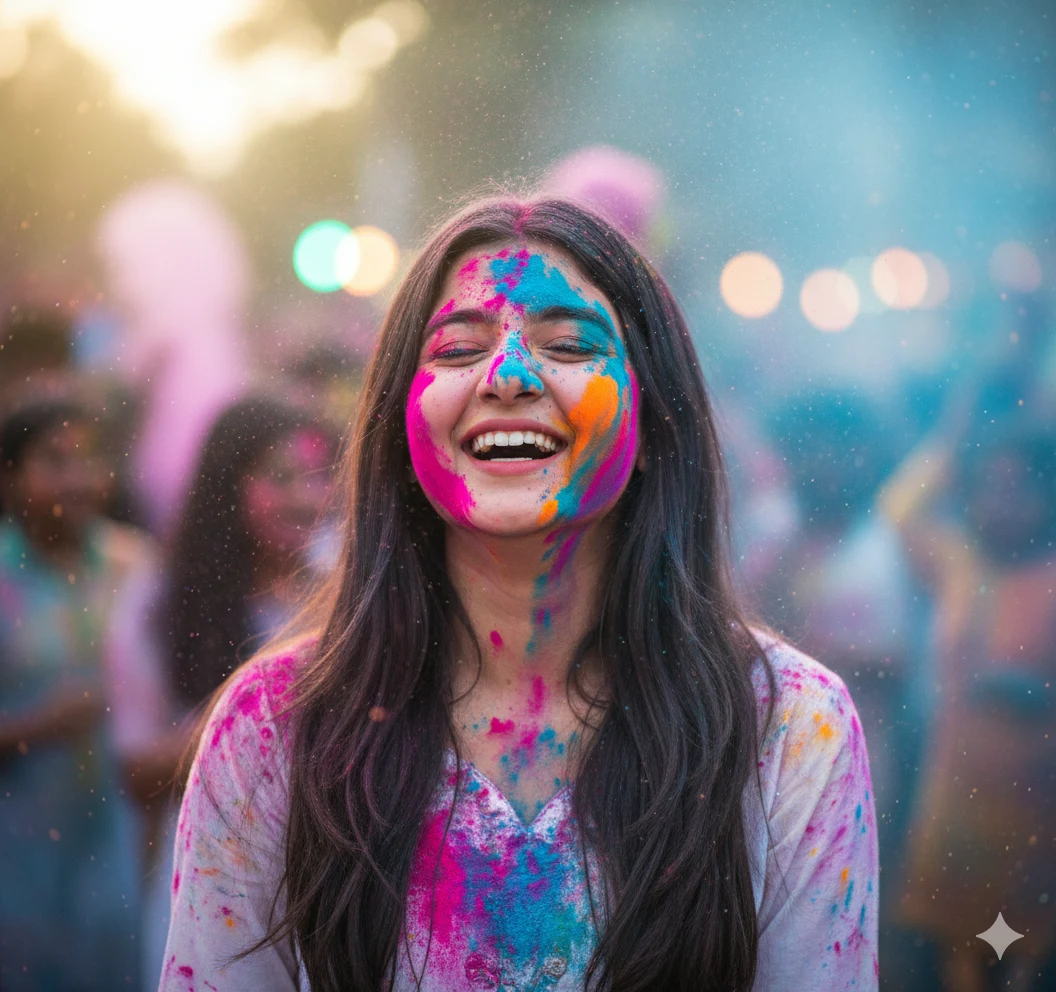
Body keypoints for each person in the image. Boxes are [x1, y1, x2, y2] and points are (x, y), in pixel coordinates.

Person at [161, 197, 878, 991]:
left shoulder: (789, 728)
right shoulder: (275, 729)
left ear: (654, 419)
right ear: (402, 421)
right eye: (460, 349)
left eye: (569, 344)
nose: (507, 377)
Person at [102, 396, 339, 989]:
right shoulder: (162, 603)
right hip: (215, 882)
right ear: (228, 484)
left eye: (320, 475)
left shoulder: (347, 594)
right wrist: (244, 712)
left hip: (331, 884)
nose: (308, 497)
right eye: (282, 477)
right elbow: (136, 773)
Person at [884, 419, 1056, 992]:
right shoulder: (961, 564)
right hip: (953, 800)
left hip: (1034, 810)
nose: (1000, 502)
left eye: (1018, 487)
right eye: (989, 486)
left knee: (1019, 962)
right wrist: (957, 433)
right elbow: (900, 507)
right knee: (953, 959)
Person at [0, 399, 150, 990]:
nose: (78, 478)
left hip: (118, 845)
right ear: (9, 477)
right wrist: (37, 726)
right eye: (55, 461)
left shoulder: (135, 566)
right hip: (16, 850)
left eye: (89, 459)